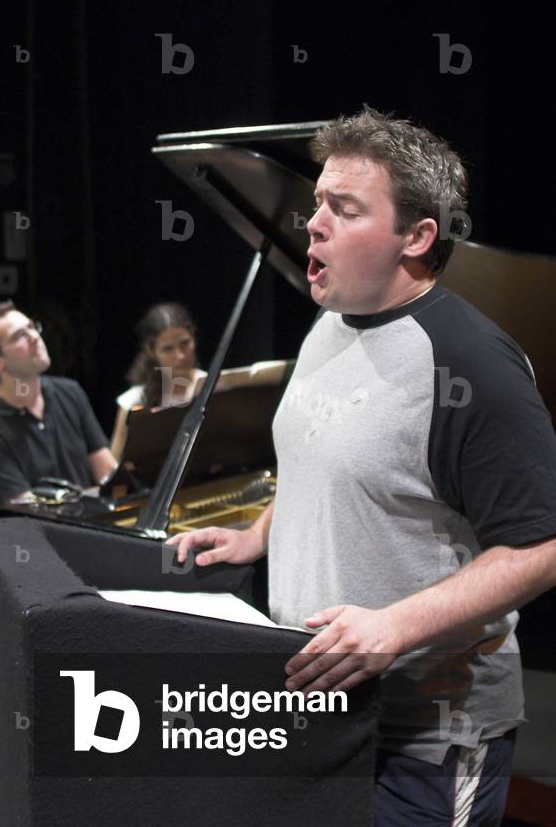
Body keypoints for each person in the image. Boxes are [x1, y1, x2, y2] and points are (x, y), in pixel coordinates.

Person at [167, 105, 556, 826]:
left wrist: (394, 627)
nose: (312, 222)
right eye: (318, 202)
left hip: (428, 736)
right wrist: (259, 532)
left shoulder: (472, 365)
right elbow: (325, 451)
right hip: (316, 709)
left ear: (417, 236)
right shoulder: (329, 323)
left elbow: (540, 548)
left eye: (343, 209)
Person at [0, 300, 116, 503]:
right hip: (39, 532)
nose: (34, 337)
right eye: (19, 336)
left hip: (94, 524)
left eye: (32, 327)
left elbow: (108, 475)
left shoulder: (70, 392)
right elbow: (26, 511)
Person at [111, 302, 205, 458]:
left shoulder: (213, 386)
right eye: (168, 349)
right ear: (151, 350)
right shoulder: (133, 402)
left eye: (185, 343)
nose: (180, 355)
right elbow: (114, 464)